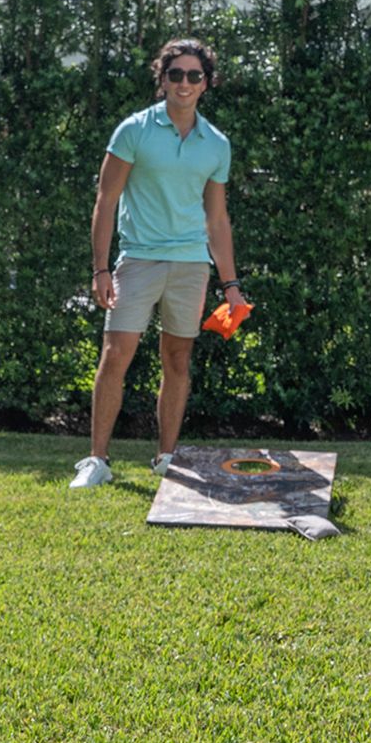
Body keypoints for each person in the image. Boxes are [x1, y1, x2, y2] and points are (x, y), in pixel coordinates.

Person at [71, 39, 249, 488]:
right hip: (138, 261)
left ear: (206, 83)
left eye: (194, 76)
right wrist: (101, 268)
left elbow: (217, 218)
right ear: (162, 79)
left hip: (191, 266)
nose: (184, 83)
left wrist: (231, 284)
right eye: (176, 75)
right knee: (115, 356)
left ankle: (167, 457)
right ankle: (97, 460)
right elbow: (105, 199)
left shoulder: (216, 144)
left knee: (178, 359)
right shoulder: (133, 131)